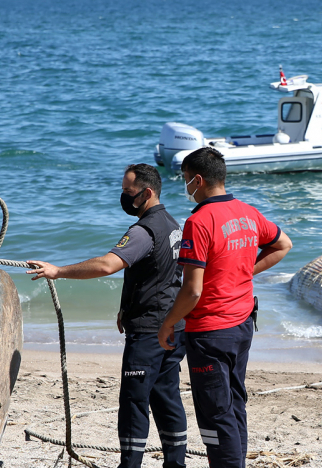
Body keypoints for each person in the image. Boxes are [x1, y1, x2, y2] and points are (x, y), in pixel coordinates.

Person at [26, 163, 188, 468]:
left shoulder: (143, 230)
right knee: (167, 398)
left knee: (134, 403)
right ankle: (176, 464)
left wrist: (58, 271)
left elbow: (106, 265)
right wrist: (126, 308)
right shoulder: (171, 223)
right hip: (172, 324)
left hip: (150, 332)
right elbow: (163, 276)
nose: (123, 196)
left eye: (128, 191)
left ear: (147, 192)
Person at [157, 147, 292, 467]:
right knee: (233, 403)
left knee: (215, 413)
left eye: (185, 179)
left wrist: (167, 323)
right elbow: (283, 244)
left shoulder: (199, 222)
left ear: (198, 180)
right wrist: (244, 271)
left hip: (210, 332)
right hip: (242, 324)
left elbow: (192, 291)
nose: (185, 185)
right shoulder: (248, 212)